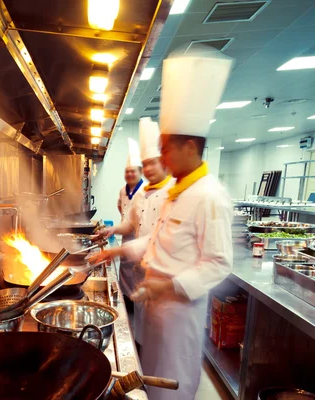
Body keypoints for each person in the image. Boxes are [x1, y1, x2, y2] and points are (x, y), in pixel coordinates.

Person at [91, 48, 234, 400]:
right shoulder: (178, 193)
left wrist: (167, 288)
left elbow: (218, 263)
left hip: (177, 313)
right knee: (149, 384)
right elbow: (153, 240)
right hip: (153, 304)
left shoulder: (210, 195)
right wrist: (117, 249)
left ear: (189, 146)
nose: (163, 158)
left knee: (170, 389)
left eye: (167, 149)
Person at [95, 117, 173, 350]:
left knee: (161, 338)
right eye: (145, 164)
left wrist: (118, 250)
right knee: (141, 329)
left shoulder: (173, 194)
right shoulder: (142, 194)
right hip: (142, 271)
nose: (148, 169)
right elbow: (129, 223)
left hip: (164, 278)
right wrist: (112, 230)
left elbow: (157, 238)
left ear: (165, 164)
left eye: (152, 164)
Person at [115, 138, 145, 310]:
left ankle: (134, 302)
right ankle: (125, 298)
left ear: (140, 172)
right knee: (125, 266)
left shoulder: (144, 192)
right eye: (127, 172)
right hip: (126, 233)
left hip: (139, 236)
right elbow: (119, 204)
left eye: (133, 172)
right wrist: (124, 221)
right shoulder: (122, 190)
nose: (129, 175)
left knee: (136, 268)